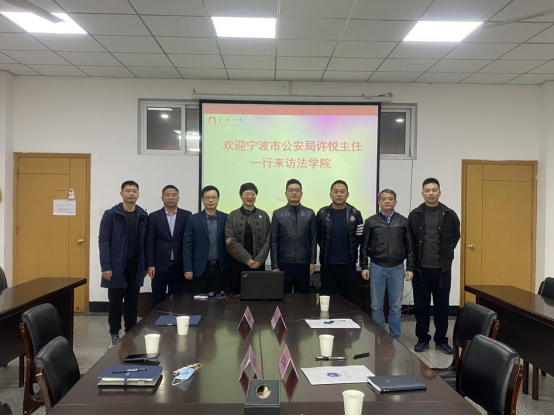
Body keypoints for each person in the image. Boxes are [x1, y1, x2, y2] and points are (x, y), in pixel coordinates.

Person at [408, 178, 460, 354]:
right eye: (427, 190)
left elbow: (454, 238)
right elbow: (410, 241)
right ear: (422, 193)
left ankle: (441, 340)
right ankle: (422, 339)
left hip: (442, 270)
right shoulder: (415, 215)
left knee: (442, 306)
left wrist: (444, 254)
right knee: (421, 306)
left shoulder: (449, 214)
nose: (431, 193)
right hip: (420, 270)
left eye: (434, 190)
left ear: (439, 192)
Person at [360, 189, 415, 340]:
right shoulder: (371, 221)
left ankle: (395, 337)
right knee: (376, 306)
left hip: (397, 268)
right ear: (379, 202)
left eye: (390, 199)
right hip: (376, 267)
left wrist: (410, 267)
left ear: (395, 202)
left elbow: (410, 246)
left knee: (396, 306)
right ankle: (380, 335)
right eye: (383, 199)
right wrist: (364, 266)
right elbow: (364, 246)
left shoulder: (404, 221)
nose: (387, 201)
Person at [99, 181, 148, 347]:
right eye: (128, 191)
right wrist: (105, 266)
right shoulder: (111, 215)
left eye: (134, 191)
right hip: (115, 266)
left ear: (138, 194)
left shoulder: (142, 215)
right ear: (121, 193)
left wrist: (145, 265)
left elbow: (146, 242)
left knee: (132, 303)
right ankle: (114, 334)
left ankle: (130, 333)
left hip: (136, 266)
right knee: (115, 304)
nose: (131, 193)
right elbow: (103, 241)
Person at [316, 180, 363, 301]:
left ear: (347, 194)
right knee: (328, 300)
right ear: (330, 194)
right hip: (328, 265)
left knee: (348, 301)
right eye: (335, 191)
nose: (339, 194)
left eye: (342, 192)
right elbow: (318, 236)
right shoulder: (322, 213)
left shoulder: (356, 214)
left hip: (348, 265)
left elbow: (359, 238)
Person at [145, 185, 191, 307]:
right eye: (167, 195)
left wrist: (188, 266)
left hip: (178, 266)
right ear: (162, 198)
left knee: (177, 300)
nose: (171, 198)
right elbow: (149, 242)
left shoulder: (187, 215)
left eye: (174, 195)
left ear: (178, 198)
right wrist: (150, 264)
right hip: (159, 266)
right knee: (158, 300)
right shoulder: (154, 216)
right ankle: (157, 320)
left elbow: (188, 242)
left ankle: (175, 319)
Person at [271, 179, 316, 293]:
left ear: (302, 193)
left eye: (297, 190)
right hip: (284, 263)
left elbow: (313, 239)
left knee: (302, 299)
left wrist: (312, 261)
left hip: (303, 264)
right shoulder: (278, 214)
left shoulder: (310, 213)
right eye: (291, 190)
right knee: (284, 298)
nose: (294, 193)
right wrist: (274, 265)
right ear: (286, 194)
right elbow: (274, 241)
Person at [225, 183, 271, 296]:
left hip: (258, 264)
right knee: (236, 297)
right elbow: (230, 240)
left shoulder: (264, 215)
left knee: (257, 295)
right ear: (241, 196)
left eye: (253, 194)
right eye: (246, 194)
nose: (250, 197)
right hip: (237, 263)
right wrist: (247, 259)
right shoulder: (232, 216)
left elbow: (268, 239)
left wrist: (259, 260)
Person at [183, 186, 227, 294]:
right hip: (199, 268)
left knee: (218, 300)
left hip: (219, 268)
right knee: (199, 300)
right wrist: (187, 268)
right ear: (202, 200)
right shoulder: (193, 219)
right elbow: (187, 245)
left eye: (214, 197)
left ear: (218, 199)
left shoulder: (226, 218)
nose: (211, 200)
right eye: (207, 198)